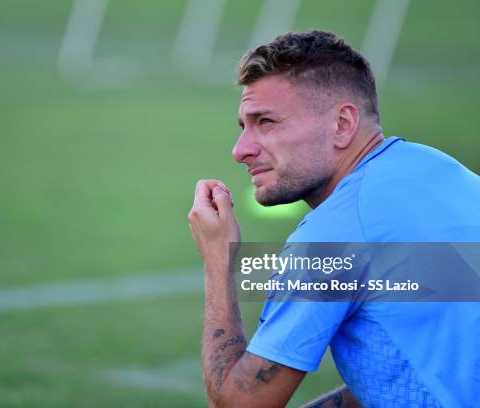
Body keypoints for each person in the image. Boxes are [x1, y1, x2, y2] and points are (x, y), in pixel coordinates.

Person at [188, 30, 480, 407]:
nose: (240, 150)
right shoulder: (444, 171)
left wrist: (219, 261)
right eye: (243, 126)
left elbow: (239, 404)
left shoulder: (333, 236)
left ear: (342, 124)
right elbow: (401, 365)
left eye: (267, 122)